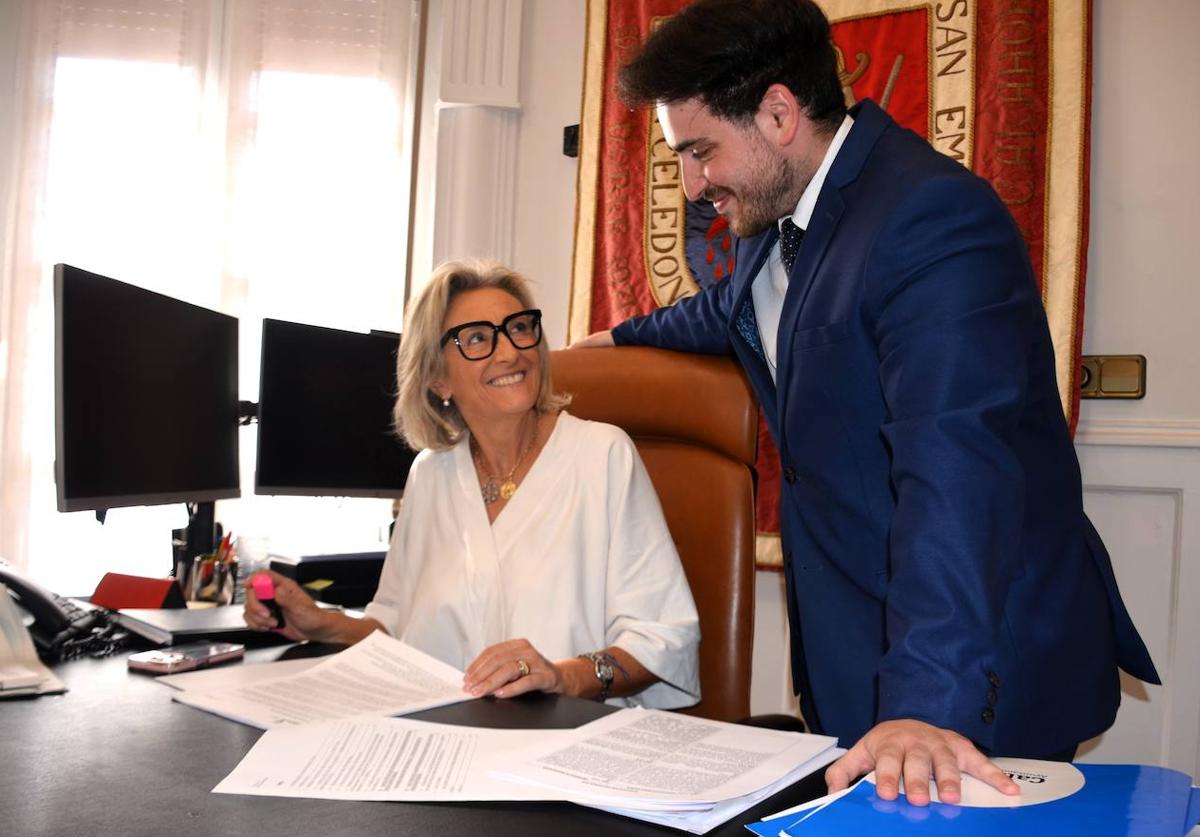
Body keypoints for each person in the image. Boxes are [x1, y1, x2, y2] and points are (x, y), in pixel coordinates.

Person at [572, 0, 1158, 805]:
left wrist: (922, 706)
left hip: (971, 671)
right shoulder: (778, 220)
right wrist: (611, 340)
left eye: (700, 151)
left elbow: (956, 475)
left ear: (778, 112)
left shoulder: (931, 219)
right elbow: (739, 309)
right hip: (856, 660)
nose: (693, 184)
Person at [245, 258, 700, 709]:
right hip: (437, 741)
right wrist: (322, 623)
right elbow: (395, 629)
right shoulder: (431, 473)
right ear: (438, 378)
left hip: (563, 745)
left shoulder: (602, 455)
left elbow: (662, 637)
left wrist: (563, 676)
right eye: (478, 338)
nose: (510, 352)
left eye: (519, 328)